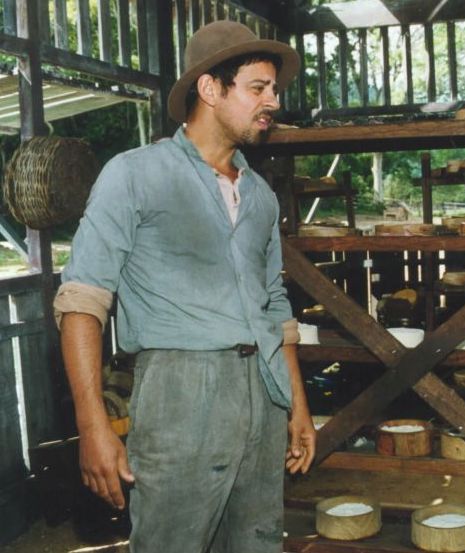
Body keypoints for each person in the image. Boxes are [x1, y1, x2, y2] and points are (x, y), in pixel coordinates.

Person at [54, 20, 316, 552]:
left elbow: (276, 309)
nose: (273, 102)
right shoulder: (134, 175)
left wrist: (298, 408)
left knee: (257, 543)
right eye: (258, 88)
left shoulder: (260, 196)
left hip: (264, 395)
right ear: (210, 89)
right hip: (181, 393)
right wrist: (94, 424)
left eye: (275, 90)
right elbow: (83, 300)